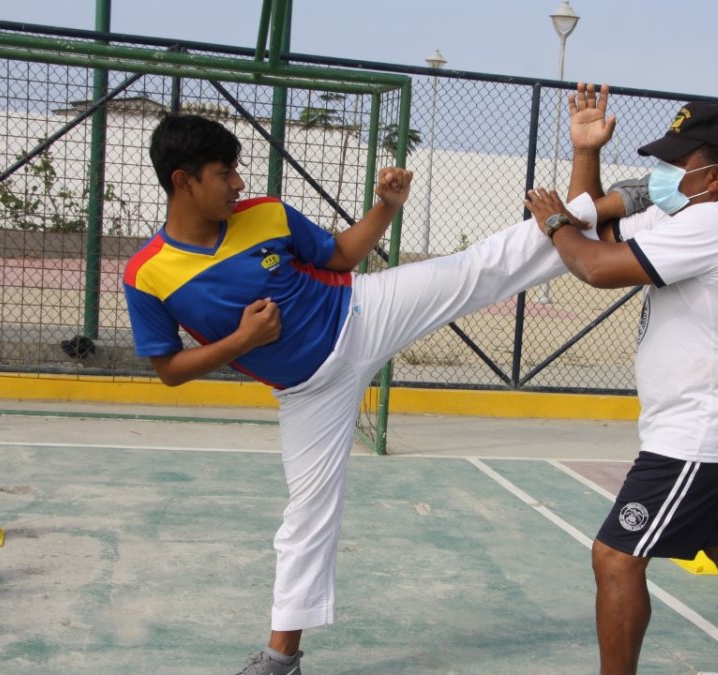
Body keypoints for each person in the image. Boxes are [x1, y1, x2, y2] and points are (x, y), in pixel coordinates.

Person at [123, 113, 600, 675]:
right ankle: (282, 658)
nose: (237, 184)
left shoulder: (268, 214)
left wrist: (387, 206)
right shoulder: (146, 275)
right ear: (183, 181)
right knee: (306, 517)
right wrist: (241, 340)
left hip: (362, 313)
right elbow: (170, 369)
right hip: (308, 393)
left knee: (476, 268)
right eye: (224, 172)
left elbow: (341, 256)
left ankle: (608, 211)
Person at [523, 84, 718, 675]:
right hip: (712, 425)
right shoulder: (694, 218)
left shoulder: (714, 224)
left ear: (715, 175)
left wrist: (553, 221)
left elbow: (593, 265)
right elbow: (596, 229)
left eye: (676, 162)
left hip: (699, 432)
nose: (661, 172)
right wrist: (585, 150)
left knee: (615, 557)